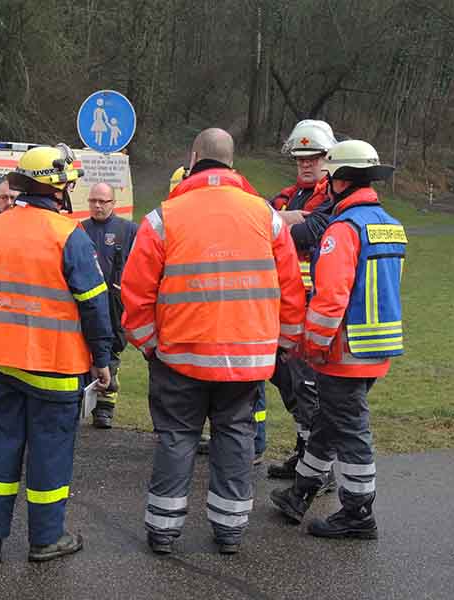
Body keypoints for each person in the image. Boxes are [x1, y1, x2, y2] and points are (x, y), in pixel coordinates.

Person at [122, 128, 306, 555]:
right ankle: (230, 530)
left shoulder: (164, 217)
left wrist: (148, 345)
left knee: (176, 437)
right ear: (232, 163)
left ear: (193, 159)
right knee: (236, 435)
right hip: (247, 358)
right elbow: (291, 289)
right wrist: (282, 343)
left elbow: (135, 293)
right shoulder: (267, 217)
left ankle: (163, 531)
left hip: (179, 355)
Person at [0, 144, 114, 564]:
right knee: (50, 454)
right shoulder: (69, 236)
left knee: (0, 448)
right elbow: (94, 305)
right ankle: (46, 539)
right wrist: (101, 359)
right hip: (55, 365)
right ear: (58, 188)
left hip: (1, 363)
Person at [270, 140, 406, 540]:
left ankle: (358, 513)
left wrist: (310, 346)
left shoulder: (342, 230)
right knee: (329, 423)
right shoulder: (389, 225)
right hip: (377, 346)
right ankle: (299, 494)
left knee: (351, 431)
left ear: (340, 181)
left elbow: (329, 300)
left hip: (343, 351)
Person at [266, 120, 338, 484]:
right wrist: (288, 219)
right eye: (300, 158)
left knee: (308, 387)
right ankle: (305, 453)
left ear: (329, 158)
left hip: (314, 309)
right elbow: (256, 222)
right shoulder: (289, 196)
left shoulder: (333, 198)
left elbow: (311, 232)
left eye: (314, 158)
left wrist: (279, 223)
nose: (306, 164)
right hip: (285, 306)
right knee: (288, 382)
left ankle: (319, 469)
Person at [81, 182, 138, 428]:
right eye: (93, 201)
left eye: (103, 201)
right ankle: (83, 400)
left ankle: (105, 407)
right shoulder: (80, 229)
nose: (97, 205)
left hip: (115, 302)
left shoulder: (128, 230)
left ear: (113, 203)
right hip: (86, 301)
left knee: (111, 350)